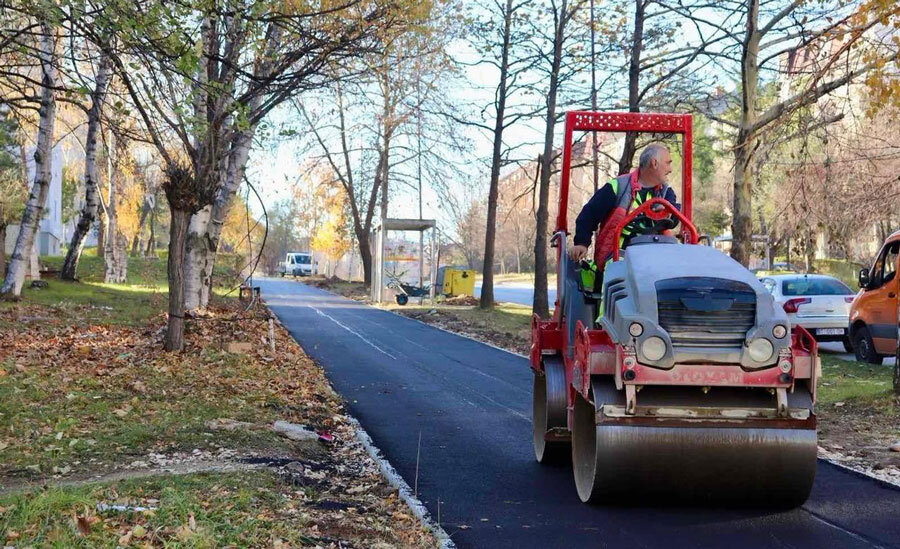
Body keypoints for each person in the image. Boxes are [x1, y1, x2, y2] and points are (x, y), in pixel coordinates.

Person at [568, 143, 677, 265]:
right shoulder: (618, 187)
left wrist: (668, 213)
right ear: (654, 163)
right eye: (668, 163)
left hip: (654, 253)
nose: (670, 169)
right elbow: (589, 214)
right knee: (622, 275)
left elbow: (675, 218)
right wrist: (581, 243)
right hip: (618, 255)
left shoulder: (666, 193)